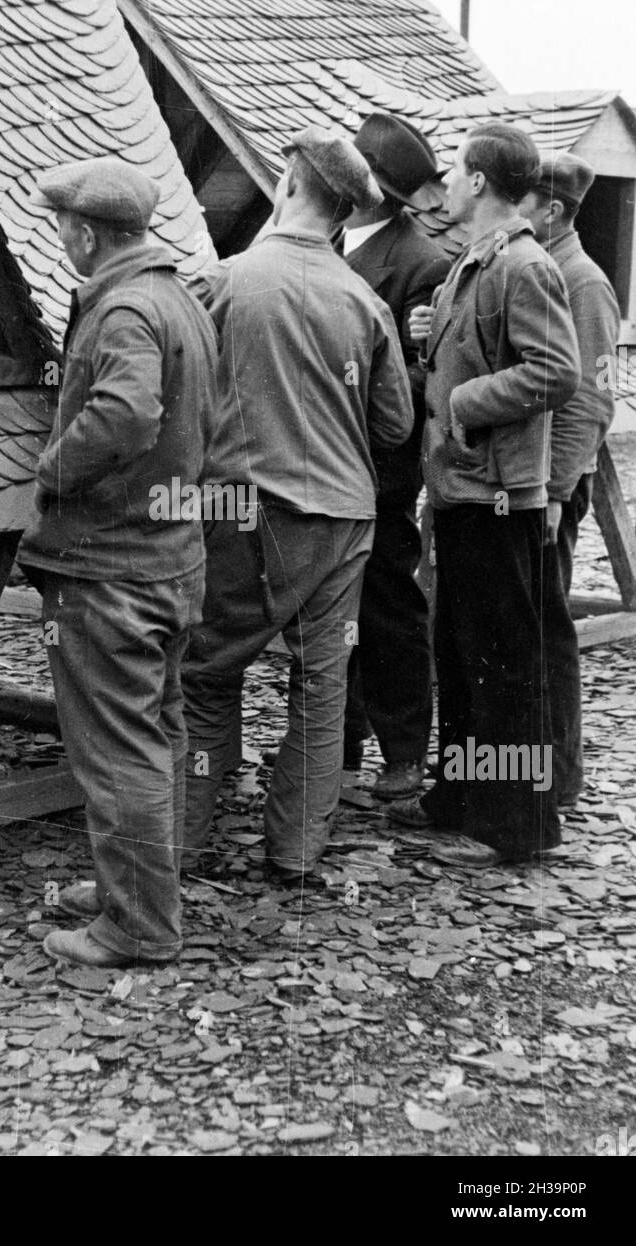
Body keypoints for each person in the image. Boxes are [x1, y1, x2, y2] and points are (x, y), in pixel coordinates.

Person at [181, 126, 414, 884]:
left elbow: (174, 397)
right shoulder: (363, 301)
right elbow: (394, 426)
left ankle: (182, 841)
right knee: (320, 687)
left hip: (244, 513)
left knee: (207, 673)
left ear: (285, 187)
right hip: (343, 522)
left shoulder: (224, 282)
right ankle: (294, 854)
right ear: (345, 216)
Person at [19, 157, 217, 968]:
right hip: (167, 561)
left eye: (62, 225)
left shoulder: (126, 308)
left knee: (117, 750)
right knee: (154, 734)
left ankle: (137, 926)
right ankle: (133, 887)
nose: (60, 236)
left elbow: (127, 414)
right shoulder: (178, 298)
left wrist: (52, 471)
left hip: (111, 570)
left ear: (87, 232)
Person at [397, 122, 580, 866]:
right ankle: (459, 797)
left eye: (454, 170)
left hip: (499, 498)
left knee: (503, 669)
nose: (444, 180)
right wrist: (426, 335)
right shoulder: (475, 262)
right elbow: (482, 346)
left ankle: (512, 826)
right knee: (463, 654)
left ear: (478, 181)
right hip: (463, 492)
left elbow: (555, 370)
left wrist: (467, 401)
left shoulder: (522, 264)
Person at [341, 113, 450, 799]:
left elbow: (422, 380)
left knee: (387, 610)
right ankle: (334, 754)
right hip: (314, 468)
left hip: (378, 473)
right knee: (324, 618)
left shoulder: (420, 263)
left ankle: (404, 755)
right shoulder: (320, 238)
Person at [520, 152, 621, 810]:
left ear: (551, 210)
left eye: (523, 200)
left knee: (545, 631)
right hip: (533, 483)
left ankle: (555, 777)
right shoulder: (545, 269)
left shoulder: (581, 283)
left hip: (550, 486)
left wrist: (554, 491)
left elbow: (591, 401)